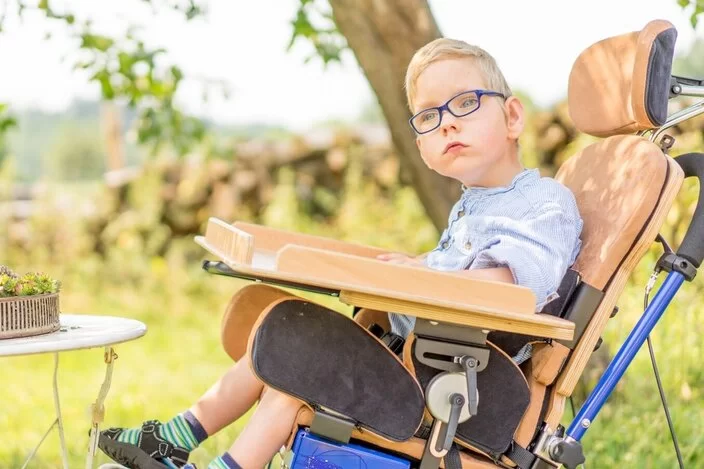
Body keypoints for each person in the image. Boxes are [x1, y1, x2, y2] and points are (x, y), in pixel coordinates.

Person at [98, 37, 583, 469]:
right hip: (416, 369)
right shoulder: (473, 206)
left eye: (465, 103)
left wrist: (416, 281)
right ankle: (178, 438)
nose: (448, 125)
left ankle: (179, 440)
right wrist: (414, 271)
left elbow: (518, 287)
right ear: (421, 144)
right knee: (286, 351)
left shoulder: (543, 202)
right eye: (430, 116)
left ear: (513, 116)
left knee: (295, 328)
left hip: (461, 393)